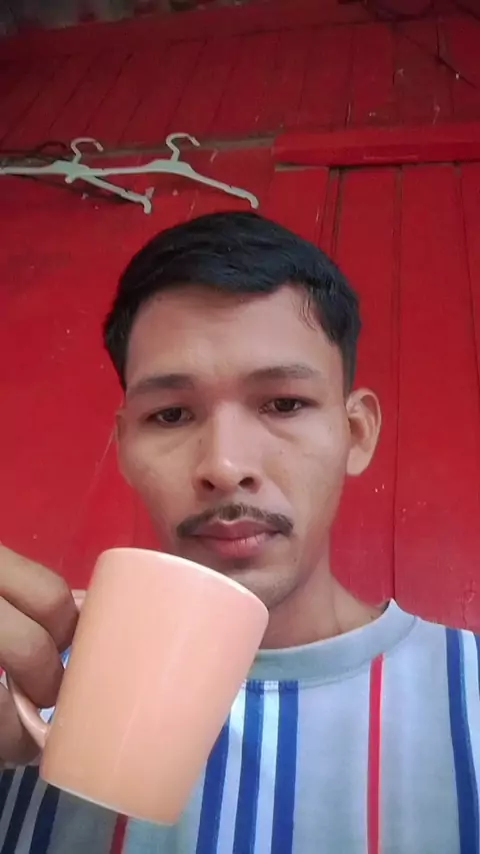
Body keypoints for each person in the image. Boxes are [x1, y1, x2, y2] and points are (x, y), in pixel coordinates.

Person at [0, 211, 478, 854]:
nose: (224, 467)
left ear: (356, 434)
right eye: (172, 414)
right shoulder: (27, 688)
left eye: (283, 404)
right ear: (124, 448)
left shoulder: (471, 697)